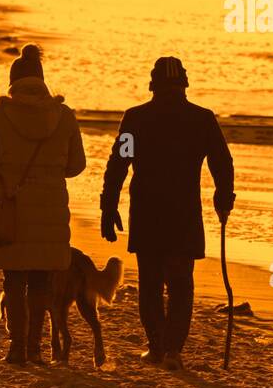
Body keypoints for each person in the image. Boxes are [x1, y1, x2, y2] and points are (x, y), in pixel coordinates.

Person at [100, 57, 234, 370]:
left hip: (147, 213)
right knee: (181, 284)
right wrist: (223, 198)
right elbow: (222, 162)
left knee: (150, 283)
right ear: (184, 84)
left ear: (153, 85)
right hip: (184, 214)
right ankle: (173, 350)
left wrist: (108, 206)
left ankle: (157, 347)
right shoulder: (201, 119)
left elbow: (118, 165)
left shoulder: (136, 118)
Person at [0, 44, 86, 365]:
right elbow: (76, 166)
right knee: (40, 282)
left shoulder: (1, 114)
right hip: (51, 212)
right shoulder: (64, 116)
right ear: (42, 81)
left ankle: (16, 349)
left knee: (14, 280)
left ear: (13, 82)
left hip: (12, 209)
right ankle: (35, 350)